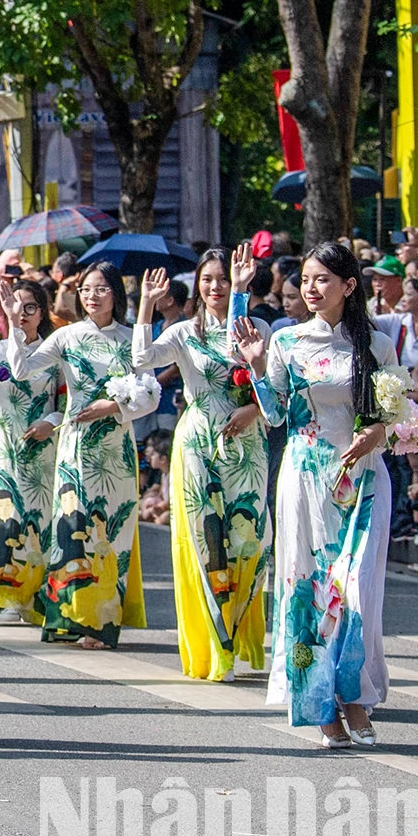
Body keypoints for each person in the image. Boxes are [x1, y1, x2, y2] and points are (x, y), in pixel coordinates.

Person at [236, 242, 396, 747]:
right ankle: (321, 707)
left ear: (349, 286)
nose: (310, 287)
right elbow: (278, 416)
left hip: (363, 482)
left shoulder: (378, 344)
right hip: (305, 478)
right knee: (309, 589)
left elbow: (394, 417)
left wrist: (379, 434)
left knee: (355, 592)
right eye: (306, 279)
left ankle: (355, 698)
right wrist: (259, 368)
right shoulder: (287, 341)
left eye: (323, 279)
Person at [133, 249, 270, 683]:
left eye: (225, 279)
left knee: (249, 541)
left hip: (247, 447)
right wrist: (146, 304)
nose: (216, 287)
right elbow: (141, 361)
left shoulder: (257, 328)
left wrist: (253, 410)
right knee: (208, 543)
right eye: (208, 279)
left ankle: (240, 630)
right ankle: (217, 647)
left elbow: (269, 383)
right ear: (197, 285)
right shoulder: (183, 333)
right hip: (198, 444)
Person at [6, 262, 156, 650]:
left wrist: (114, 407)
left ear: (116, 294)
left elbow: (148, 390)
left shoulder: (129, 338)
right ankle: (70, 619)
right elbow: (21, 370)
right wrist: (12, 324)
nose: (92, 296)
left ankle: (101, 624)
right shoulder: (66, 337)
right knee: (71, 529)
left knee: (111, 534)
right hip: (74, 449)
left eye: (102, 289)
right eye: (86, 289)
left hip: (115, 450)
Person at [0, 278, 62, 621]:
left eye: (30, 307)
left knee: (41, 519)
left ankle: (36, 594)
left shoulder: (55, 352)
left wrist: (50, 421)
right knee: (4, 517)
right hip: (5, 445)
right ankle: (7, 596)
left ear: (42, 313)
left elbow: (68, 399)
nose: (21, 314)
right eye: (14, 306)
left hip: (45, 448)